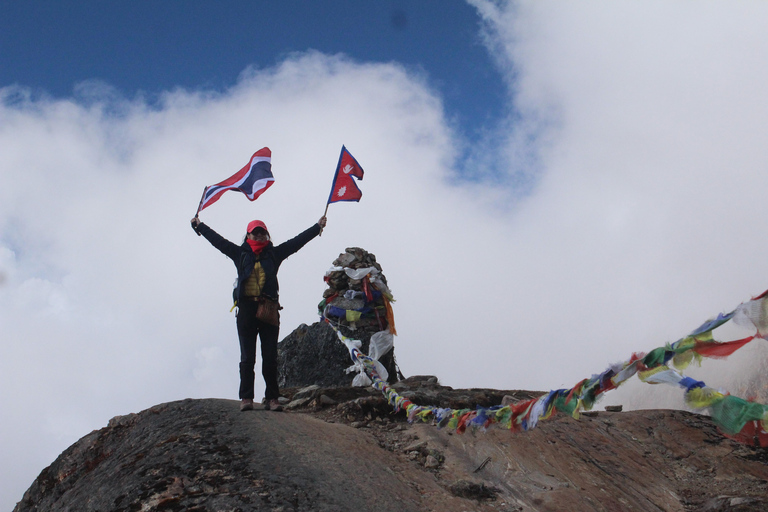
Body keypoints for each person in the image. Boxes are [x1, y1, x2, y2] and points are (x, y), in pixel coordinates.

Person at [191, 215, 327, 411]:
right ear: (248, 235)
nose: (259, 235)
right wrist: (200, 226)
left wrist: (317, 228)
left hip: (269, 309)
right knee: (247, 358)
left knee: (270, 357)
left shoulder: (274, 254)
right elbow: (218, 241)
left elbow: (297, 242)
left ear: (267, 235)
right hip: (246, 310)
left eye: (262, 232)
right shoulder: (240, 254)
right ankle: (246, 398)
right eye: (256, 232)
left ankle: (272, 398)